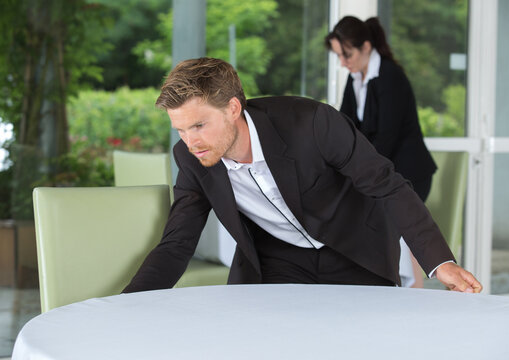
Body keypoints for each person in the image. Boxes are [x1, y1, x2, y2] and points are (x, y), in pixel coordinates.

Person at [123, 57, 482, 294]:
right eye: (181, 130)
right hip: (277, 262)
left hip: (355, 250)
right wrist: (129, 305)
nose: (191, 142)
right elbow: (177, 243)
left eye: (199, 125)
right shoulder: (189, 157)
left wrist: (440, 262)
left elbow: (387, 185)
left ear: (233, 108)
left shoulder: (313, 123)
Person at [325, 16, 437, 288]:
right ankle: (403, 296)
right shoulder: (356, 80)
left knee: (402, 234)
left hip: (408, 174)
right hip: (383, 171)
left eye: (347, 54)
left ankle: (414, 298)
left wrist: (356, 170)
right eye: (339, 56)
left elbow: (387, 137)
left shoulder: (390, 77)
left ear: (366, 47)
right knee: (388, 233)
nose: (343, 62)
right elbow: (345, 127)